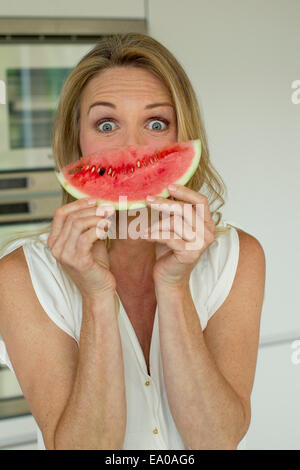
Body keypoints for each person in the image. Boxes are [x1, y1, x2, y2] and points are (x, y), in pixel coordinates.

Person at [0, 33, 266, 450]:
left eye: (156, 123)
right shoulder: (21, 276)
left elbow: (217, 442)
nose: (133, 148)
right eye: (107, 125)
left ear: (184, 135)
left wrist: (175, 286)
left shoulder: (237, 256)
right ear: (78, 141)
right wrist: (95, 294)